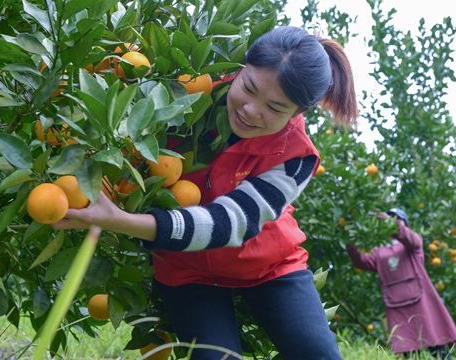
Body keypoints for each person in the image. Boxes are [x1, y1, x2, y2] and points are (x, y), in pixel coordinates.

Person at [52, 26, 358, 359]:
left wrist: (121, 221)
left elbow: (231, 223)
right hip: (187, 269)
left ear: (297, 113)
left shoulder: (297, 156)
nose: (251, 110)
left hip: (269, 266)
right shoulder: (186, 96)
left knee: (318, 354)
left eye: (274, 107)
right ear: (239, 69)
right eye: (249, 88)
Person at [345, 208, 456, 358]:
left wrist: (389, 221)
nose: (390, 220)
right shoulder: (378, 251)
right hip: (395, 303)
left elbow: (411, 239)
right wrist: (351, 236)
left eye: (396, 219)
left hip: (420, 301)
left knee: (437, 347)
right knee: (407, 350)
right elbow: (360, 261)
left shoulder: (412, 242)